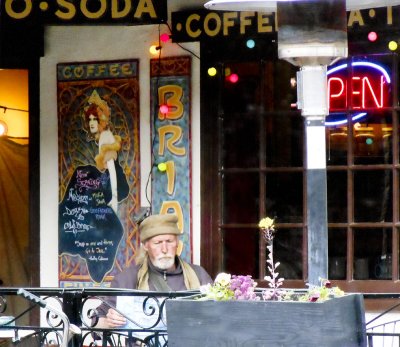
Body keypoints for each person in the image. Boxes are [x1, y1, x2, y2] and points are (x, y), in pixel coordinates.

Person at [95, 213, 212, 329]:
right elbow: (95, 321)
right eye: (158, 243)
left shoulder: (198, 274)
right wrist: (108, 322)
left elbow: (216, 316)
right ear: (145, 246)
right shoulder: (128, 278)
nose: (164, 249)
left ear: (177, 243)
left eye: (169, 241)